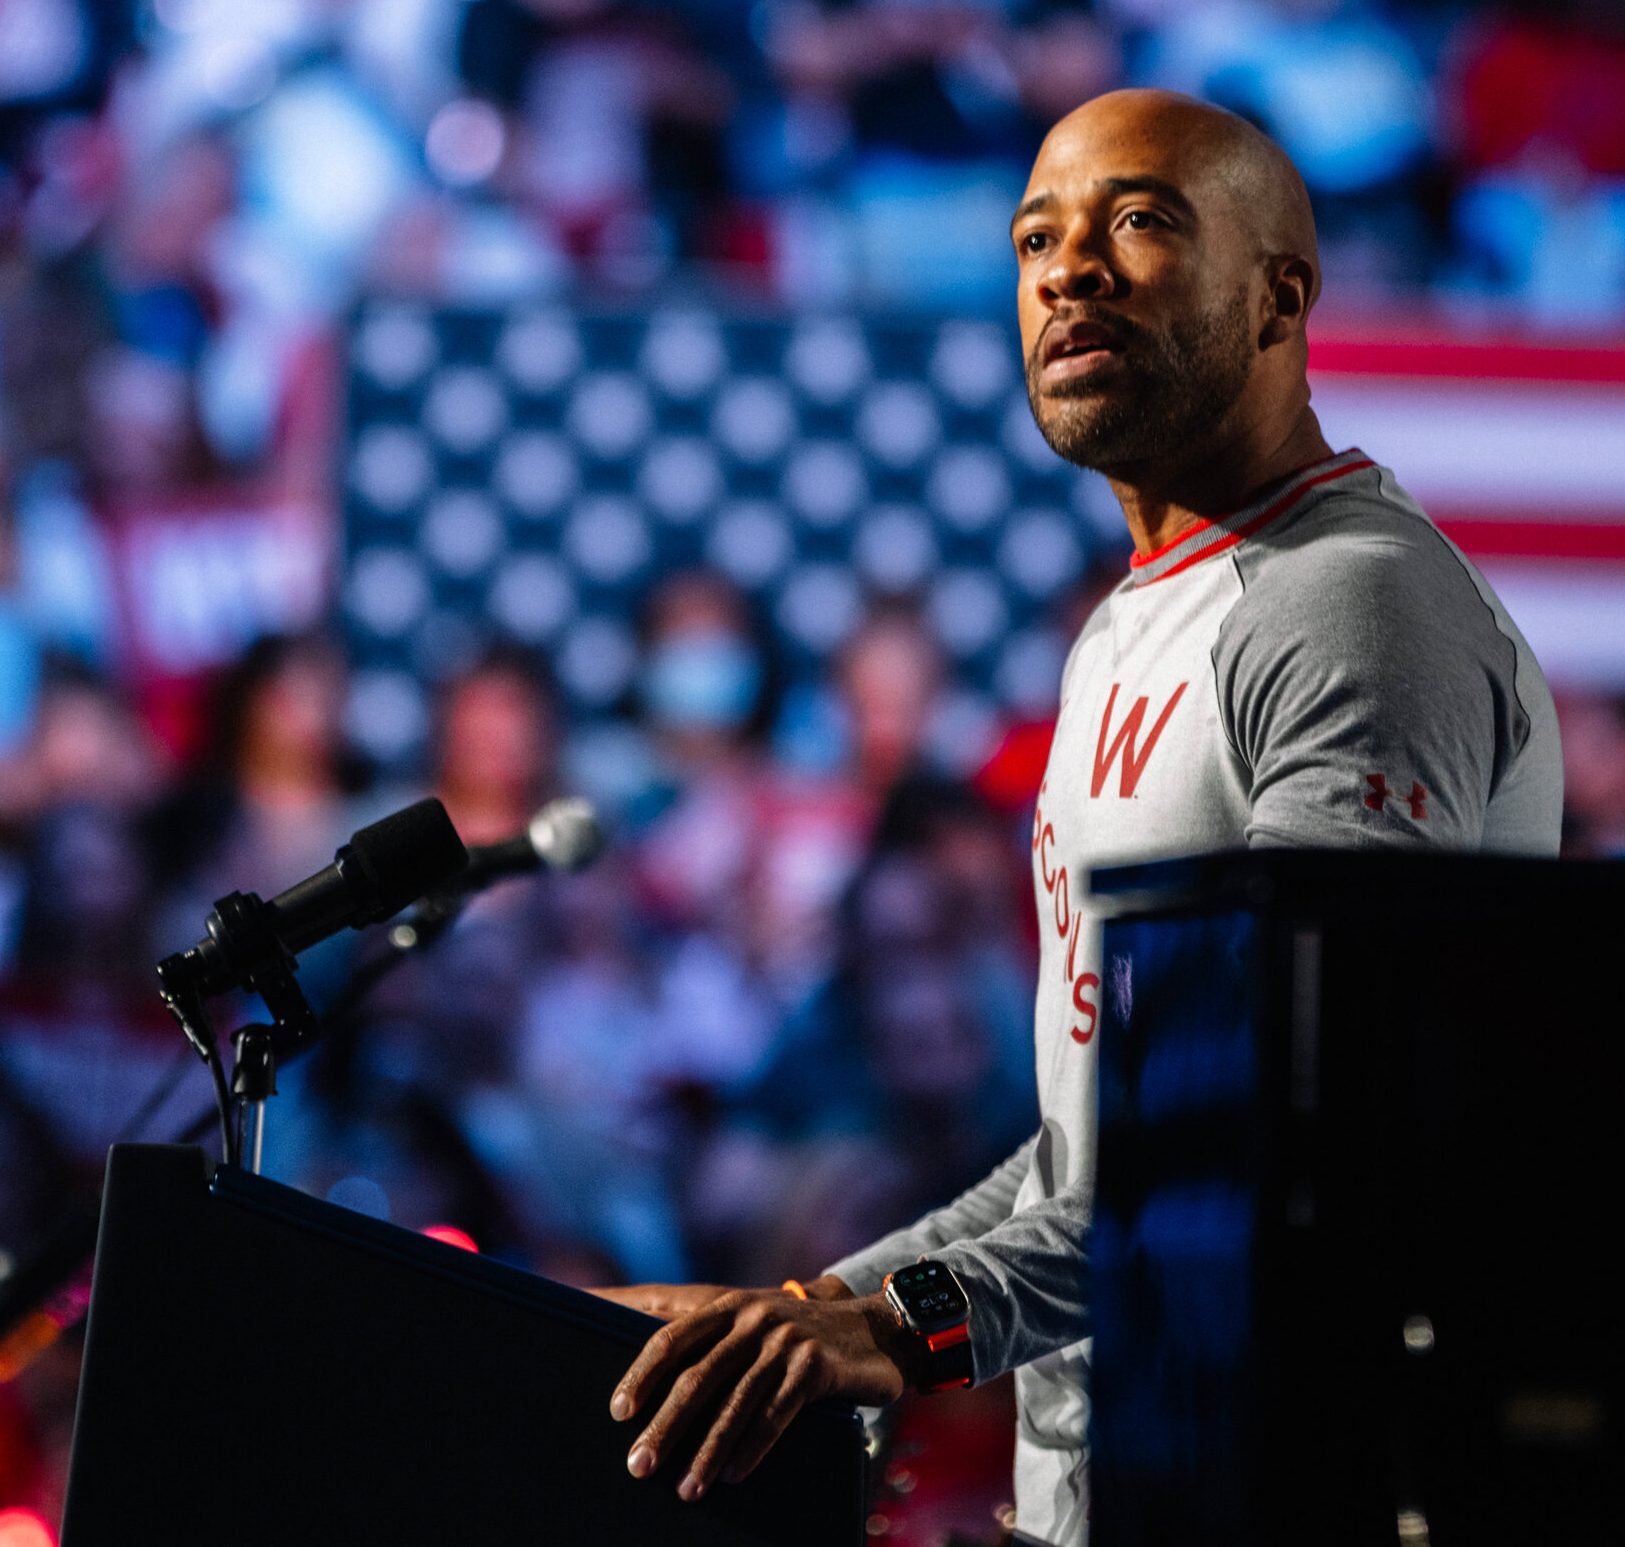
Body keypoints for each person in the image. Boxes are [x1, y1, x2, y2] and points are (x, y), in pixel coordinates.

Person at [594, 88, 1564, 1544]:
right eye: (1036, 239)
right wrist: (812, 1311)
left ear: (1280, 296)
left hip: (1284, 1490)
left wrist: (905, 1329)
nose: (1069, 269)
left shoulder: (1353, 606)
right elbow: (1089, 1161)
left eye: (1143, 224)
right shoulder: (1128, 628)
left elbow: (1278, 1141)